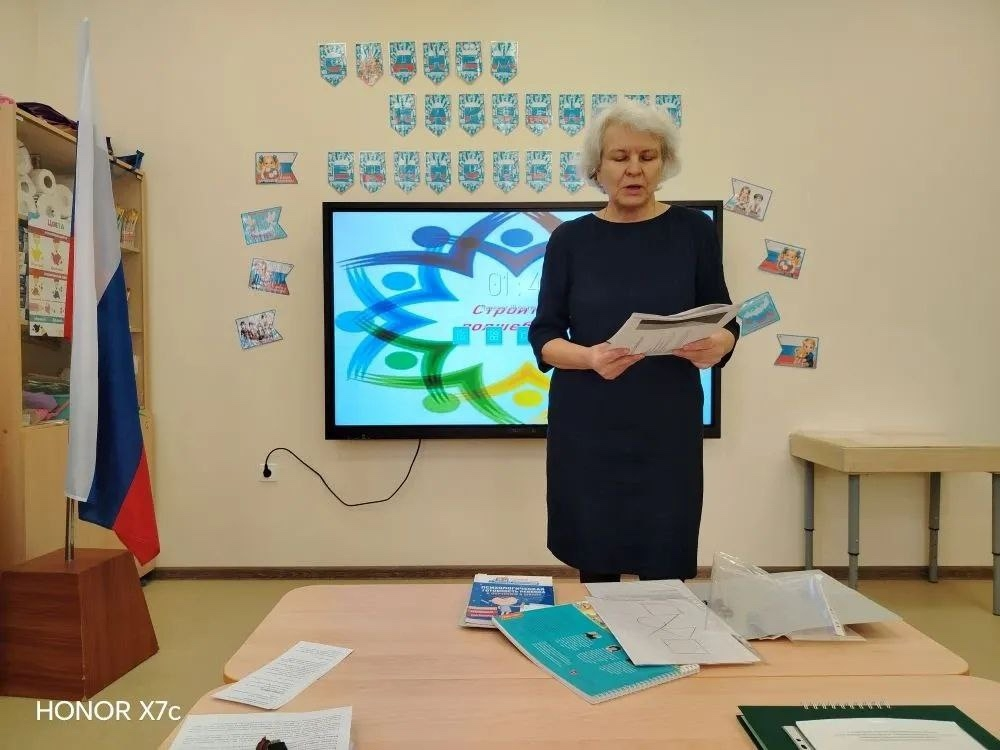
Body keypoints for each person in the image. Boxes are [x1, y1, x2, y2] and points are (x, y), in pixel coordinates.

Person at [528, 100, 740, 584]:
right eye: (620, 157)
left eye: (648, 156)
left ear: (664, 164)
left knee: (665, 565)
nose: (634, 169)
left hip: (667, 424)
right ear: (597, 167)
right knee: (597, 566)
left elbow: (726, 318)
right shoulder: (570, 240)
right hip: (588, 425)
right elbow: (543, 336)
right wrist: (589, 357)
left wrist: (720, 343)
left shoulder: (694, 230)